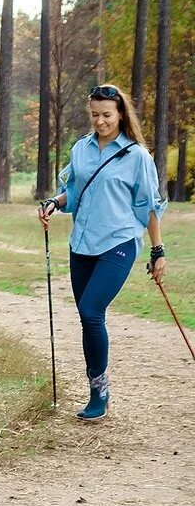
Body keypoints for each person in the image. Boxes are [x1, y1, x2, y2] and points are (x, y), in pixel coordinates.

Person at [38, 83, 166, 422]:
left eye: (106, 115)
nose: (100, 121)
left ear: (121, 114)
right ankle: (96, 388)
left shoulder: (136, 155)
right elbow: (74, 189)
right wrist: (54, 202)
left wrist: (158, 250)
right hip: (82, 243)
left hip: (119, 242)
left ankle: (100, 389)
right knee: (87, 316)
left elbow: (149, 205)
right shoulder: (81, 148)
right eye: (94, 115)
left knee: (91, 310)